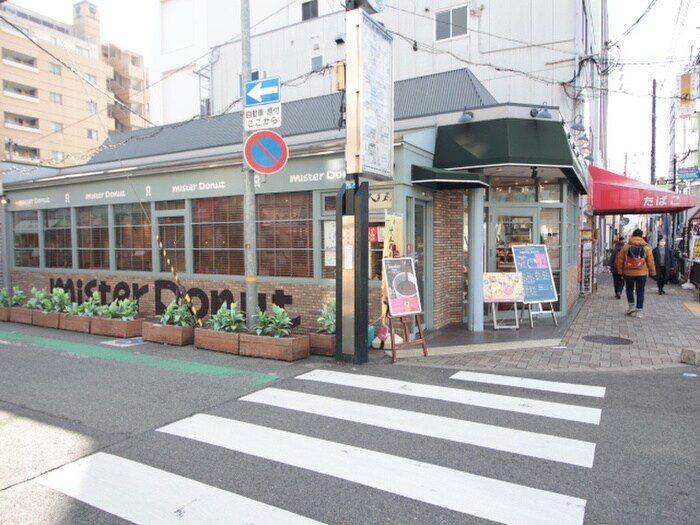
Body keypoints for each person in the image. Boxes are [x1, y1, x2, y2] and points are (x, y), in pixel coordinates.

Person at [615, 228, 656, 318]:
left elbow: (620, 260)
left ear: (633, 235)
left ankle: (631, 307)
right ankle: (639, 311)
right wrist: (653, 273)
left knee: (629, 290)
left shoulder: (626, 246)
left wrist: (620, 272)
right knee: (640, 291)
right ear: (642, 236)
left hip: (628, 273)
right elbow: (651, 261)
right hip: (642, 273)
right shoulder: (646, 248)